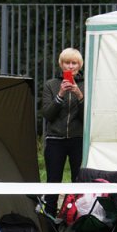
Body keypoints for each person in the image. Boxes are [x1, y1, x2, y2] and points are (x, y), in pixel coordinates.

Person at [41, 47, 84, 216]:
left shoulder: (85, 85)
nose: (70, 66)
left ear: (80, 65)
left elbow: (87, 118)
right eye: (67, 63)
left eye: (74, 63)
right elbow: (47, 114)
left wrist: (79, 95)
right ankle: (49, 222)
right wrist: (60, 95)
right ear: (61, 64)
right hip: (55, 139)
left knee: (78, 181)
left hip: (78, 139)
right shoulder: (51, 85)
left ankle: (75, 219)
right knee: (53, 182)